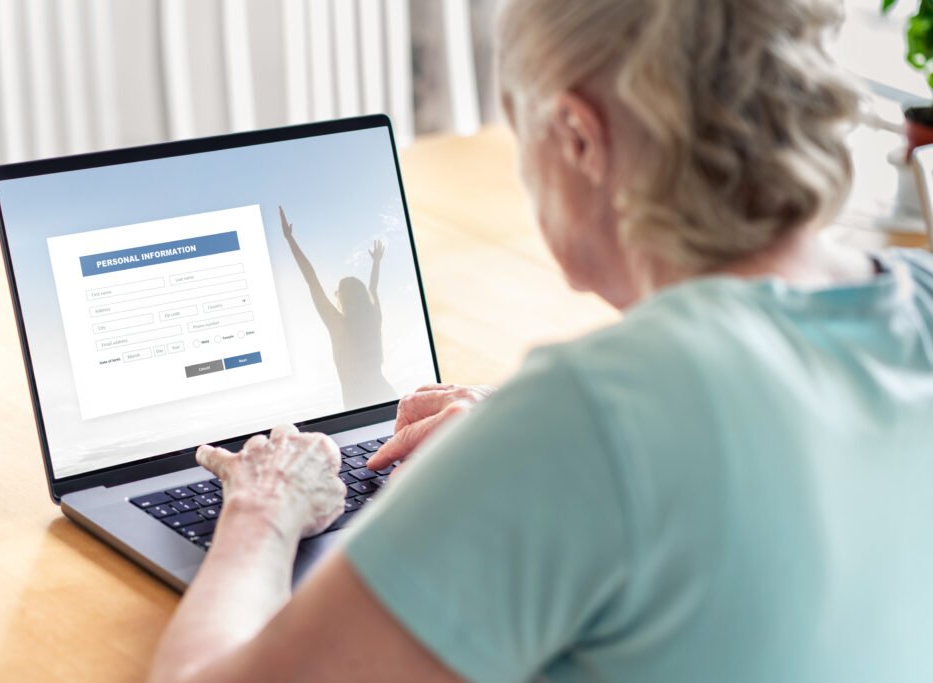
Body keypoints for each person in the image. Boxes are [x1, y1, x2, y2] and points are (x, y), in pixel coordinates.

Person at [149, 1, 933, 681]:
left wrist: (261, 509)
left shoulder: (592, 416)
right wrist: (511, 429)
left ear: (578, 138)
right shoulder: (918, 304)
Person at [280, 205, 397, 410]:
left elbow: (312, 279)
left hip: (358, 403)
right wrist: (376, 263)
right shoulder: (373, 318)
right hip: (387, 397)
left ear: (342, 298)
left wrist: (290, 240)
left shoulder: (338, 325)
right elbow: (373, 288)